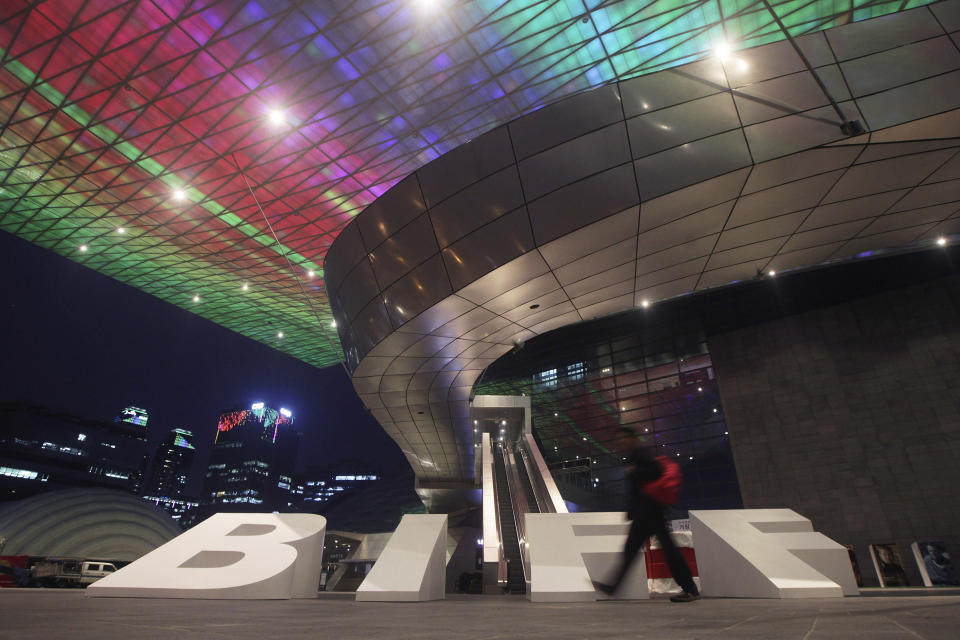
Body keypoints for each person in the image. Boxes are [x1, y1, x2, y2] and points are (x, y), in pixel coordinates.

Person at [595, 427, 700, 602]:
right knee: (634, 550)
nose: (620, 442)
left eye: (623, 438)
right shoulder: (634, 456)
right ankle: (613, 586)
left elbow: (655, 473)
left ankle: (690, 589)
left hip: (651, 512)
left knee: (668, 551)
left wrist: (635, 471)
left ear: (632, 438)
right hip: (645, 513)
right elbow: (636, 488)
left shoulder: (641, 454)